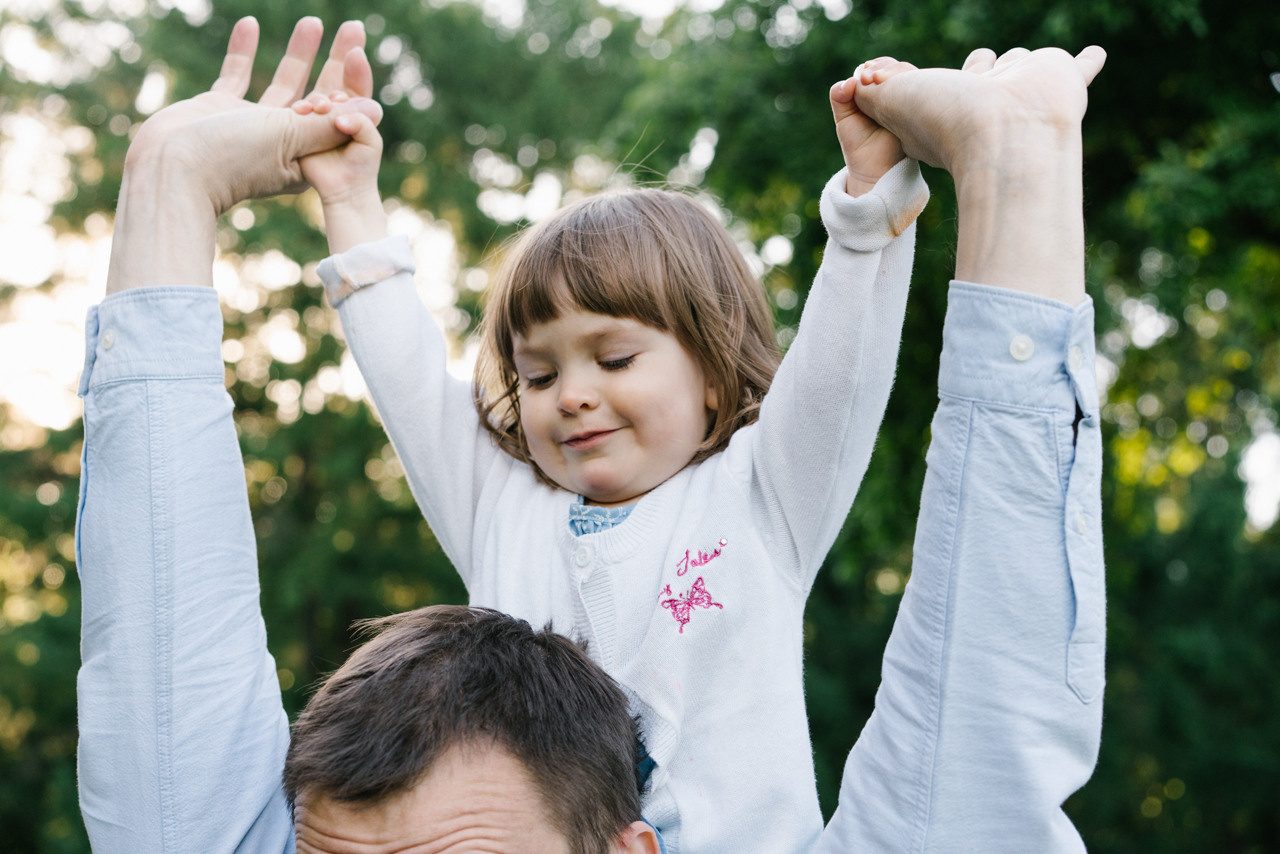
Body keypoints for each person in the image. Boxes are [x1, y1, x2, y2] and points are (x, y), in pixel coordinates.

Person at [74, 15, 1106, 854]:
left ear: (711, 380)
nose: (571, 394)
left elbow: (838, 377)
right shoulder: (506, 511)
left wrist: (866, 211)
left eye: (613, 360)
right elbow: (408, 386)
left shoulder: (756, 500)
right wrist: (351, 210)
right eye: (536, 371)